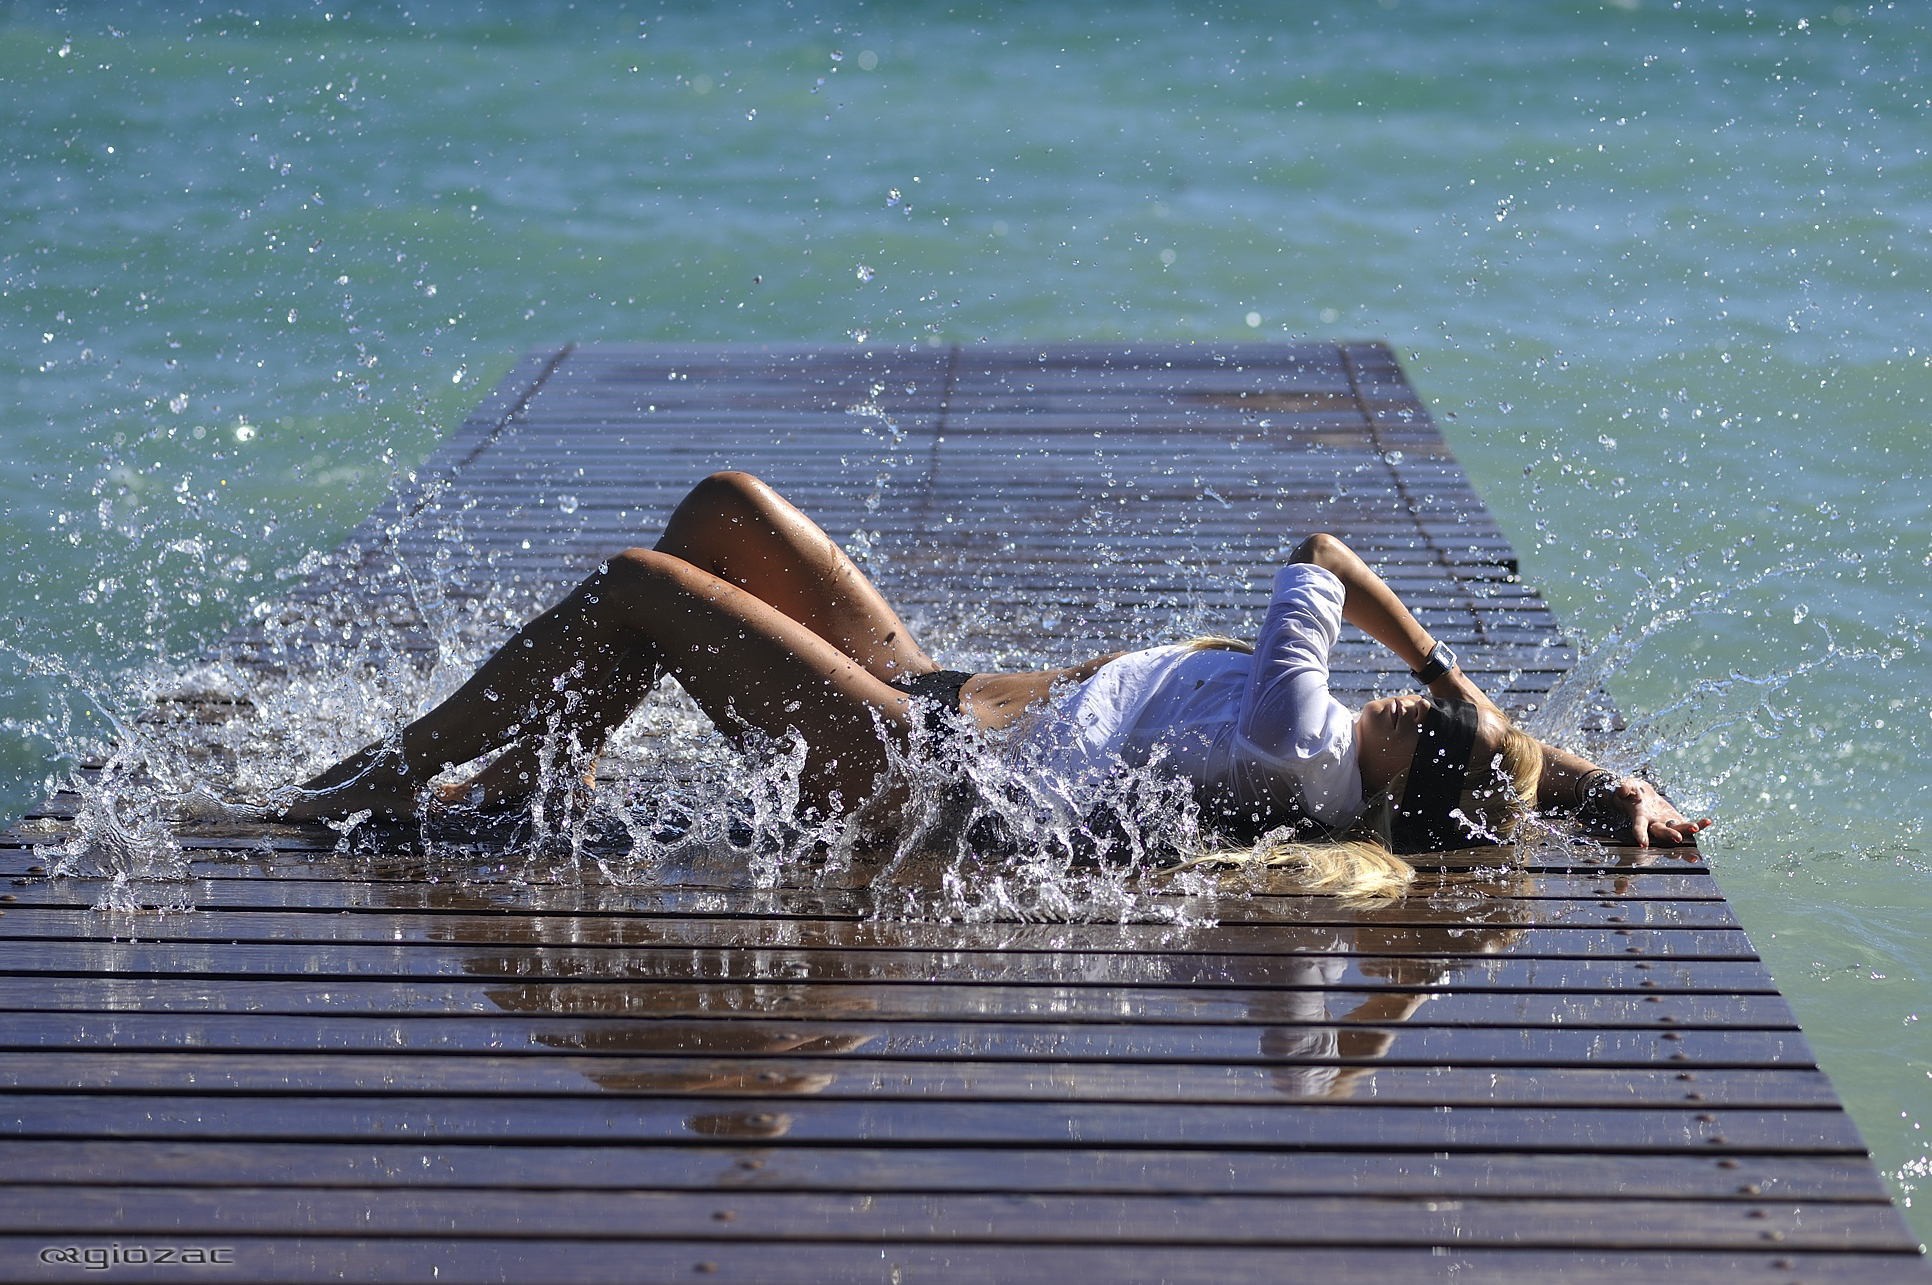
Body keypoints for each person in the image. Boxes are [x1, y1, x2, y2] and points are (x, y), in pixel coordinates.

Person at [276, 472, 1708, 885]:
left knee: (642, 588)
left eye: (1427, 722)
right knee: (725, 507)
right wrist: (1601, 788)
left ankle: (379, 780)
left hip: (922, 768)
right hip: (943, 691)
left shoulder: (1298, 728)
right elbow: (1492, 753)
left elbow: (1321, 545)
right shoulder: (1393, 754)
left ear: (1414, 772)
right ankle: (539, 770)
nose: (1423, 705)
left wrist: (1437, 655)